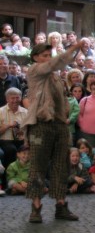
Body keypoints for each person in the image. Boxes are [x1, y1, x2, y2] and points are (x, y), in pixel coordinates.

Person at [24, 40, 82, 223]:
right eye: (44, 55)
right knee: (37, 166)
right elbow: (55, 63)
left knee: (61, 166)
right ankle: (36, 207)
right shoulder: (34, 70)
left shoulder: (56, 77)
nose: (48, 59)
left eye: (50, 55)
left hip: (59, 125)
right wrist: (74, 47)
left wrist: (65, 112)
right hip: (41, 124)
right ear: (35, 57)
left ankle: (61, 205)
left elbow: (63, 97)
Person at [0, 87, 27, 168]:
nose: (15, 100)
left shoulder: (25, 112)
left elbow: (30, 130)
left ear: (21, 98)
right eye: (12, 98)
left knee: (33, 147)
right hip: (5, 140)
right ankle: (10, 173)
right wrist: (8, 125)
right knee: (11, 150)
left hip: (22, 140)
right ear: (7, 99)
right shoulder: (1, 111)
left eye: (17, 98)